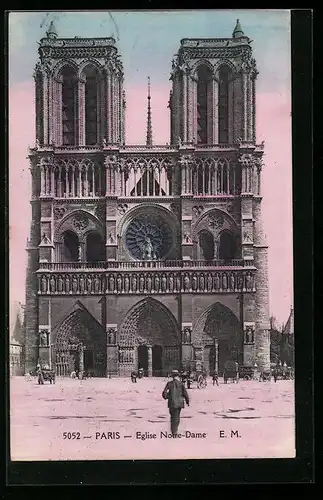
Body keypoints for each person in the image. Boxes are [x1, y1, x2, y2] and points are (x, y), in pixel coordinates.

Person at [162, 369, 190, 435]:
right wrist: (187, 401)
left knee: (172, 417)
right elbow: (185, 394)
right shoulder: (181, 384)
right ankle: (175, 431)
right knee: (177, 417)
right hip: (179, 403)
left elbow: (164, 393)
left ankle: (173, 431)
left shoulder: (169, 384)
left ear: (172, 376)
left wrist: (167, 397)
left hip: (171, 403)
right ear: (178, 376)